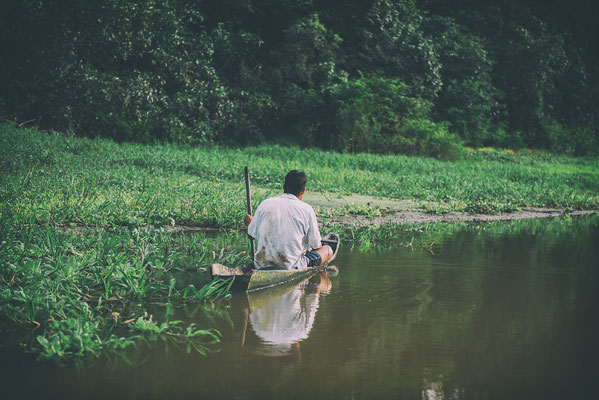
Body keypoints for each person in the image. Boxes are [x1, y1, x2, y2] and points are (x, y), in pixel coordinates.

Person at [244, 170, 335, 270]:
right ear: (303, 191)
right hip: (291, 266)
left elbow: (251, 235)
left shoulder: (265, 204)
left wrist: (250, 224)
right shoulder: (306, 209)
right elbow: (316, 246)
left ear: (284, 187)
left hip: (261, 265)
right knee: (327, 250)